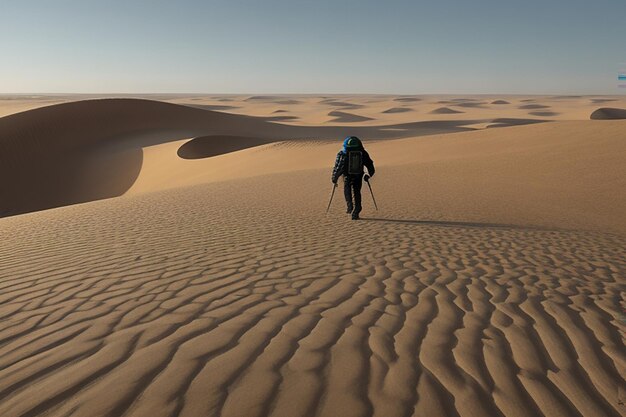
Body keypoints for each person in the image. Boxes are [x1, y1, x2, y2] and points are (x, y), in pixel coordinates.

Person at [331, 136, 375, 220]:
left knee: (347, 189)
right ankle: (357, 208)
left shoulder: (342, 153)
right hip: (358, 175)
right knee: (357, 191)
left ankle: (350, 206)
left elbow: (338, 166)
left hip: (347, 175)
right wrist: (369, 175)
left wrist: (334, 178)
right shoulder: (362, 153)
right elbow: (370, 164)